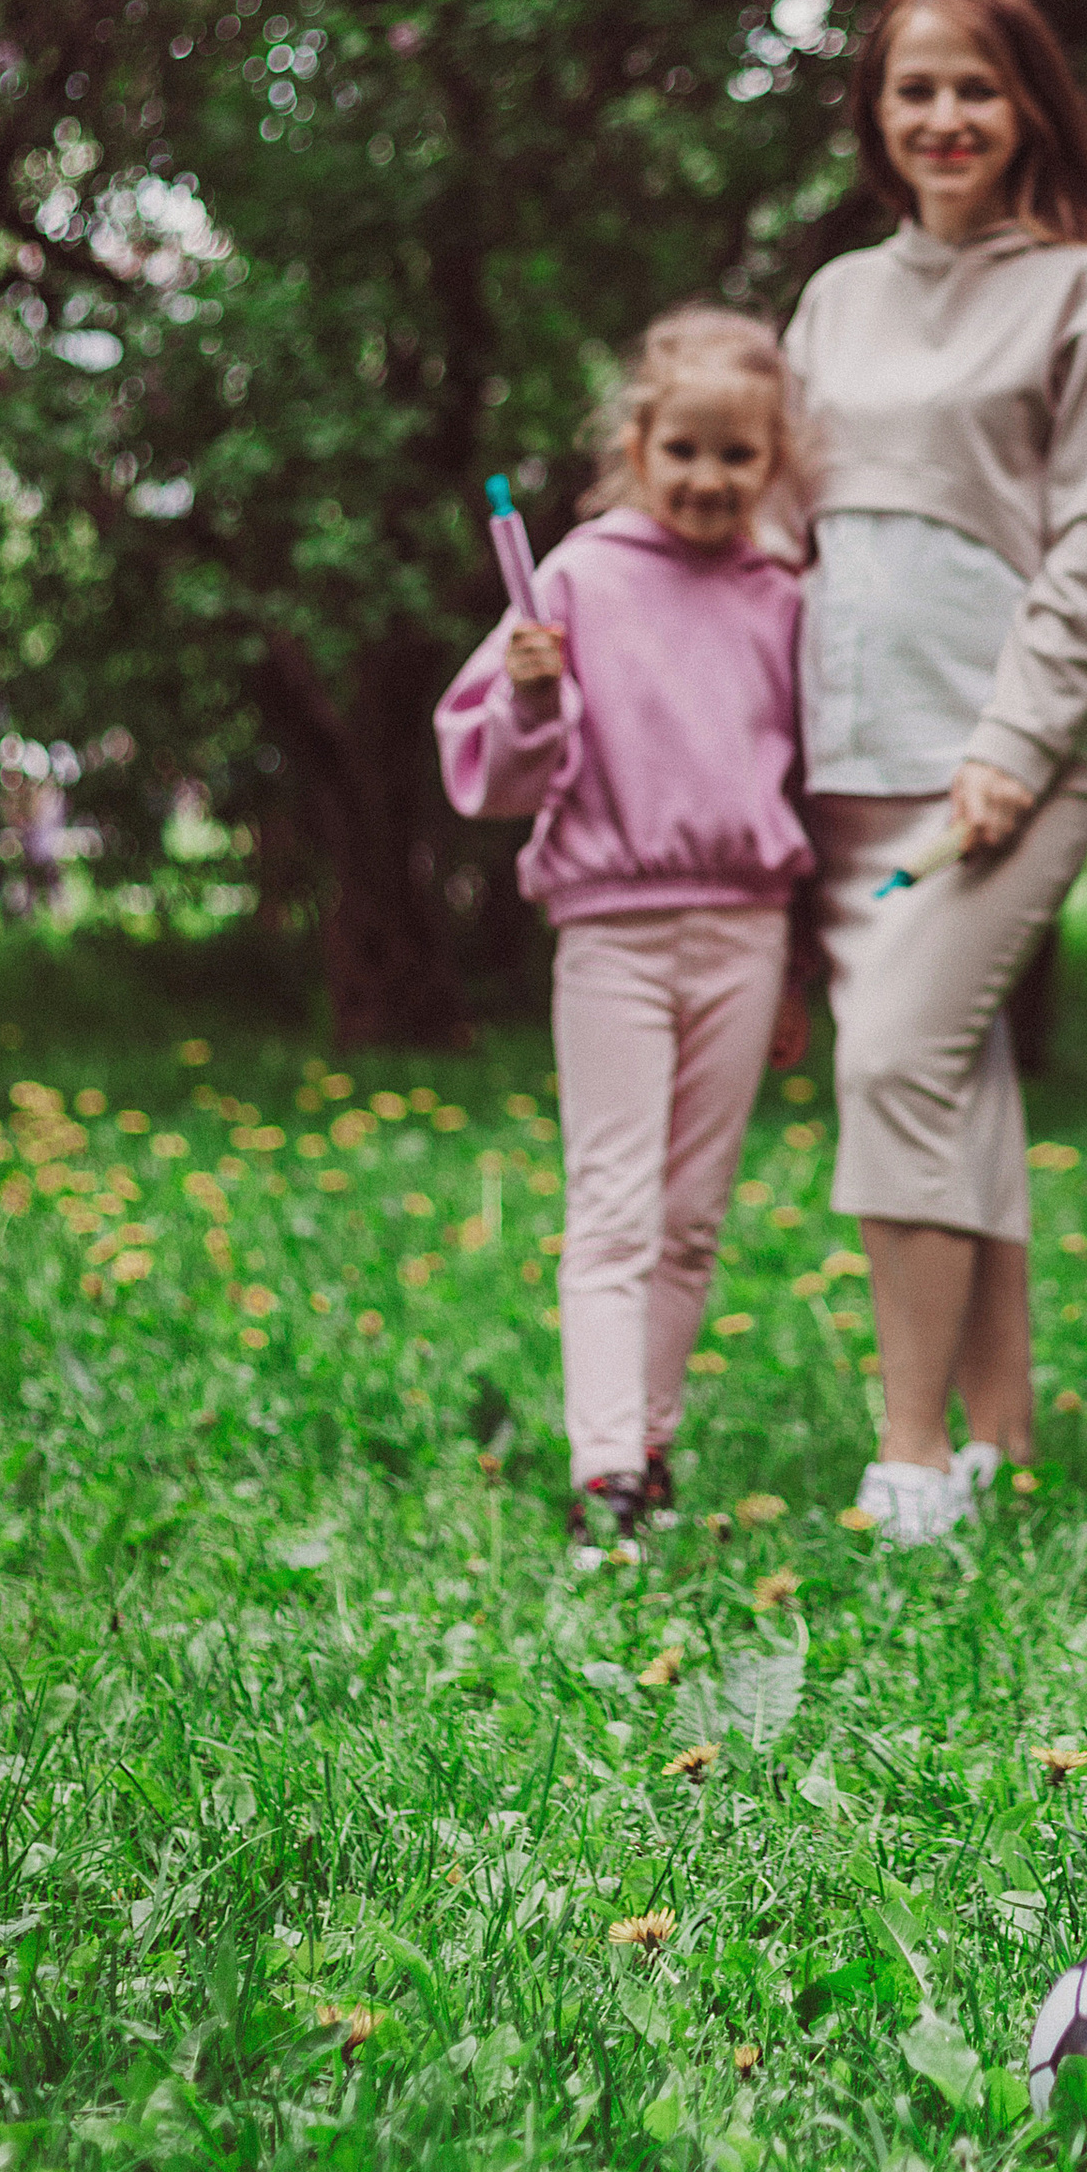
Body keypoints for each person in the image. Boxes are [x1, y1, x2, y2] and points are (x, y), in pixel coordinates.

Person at [786, 0, 1087, 1545]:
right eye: (914, 89)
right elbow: (778, 532)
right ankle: (1002, 1436)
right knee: (957, 1077)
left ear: (1030, 109)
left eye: (976, 89)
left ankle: (913, 1458)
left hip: (991, 775)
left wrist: (1015, 742)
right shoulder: (834, 298)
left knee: (891, 1064)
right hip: (845, 762)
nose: (944, 118)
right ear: (877, 114)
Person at [435, 304, 813, 1555]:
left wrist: (803, 959)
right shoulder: (576, 579)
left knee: (693, 1214)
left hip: (745, 933)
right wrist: (532, 700)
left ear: (773, 462)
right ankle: (602, 1472)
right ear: (640, 447)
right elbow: (495, 781)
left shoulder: (783, 594)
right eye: (686, 451)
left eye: (737, 456)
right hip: (613, 932)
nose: (709, 480)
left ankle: (649, 1444)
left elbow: (800, 774)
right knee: (614, 1206)